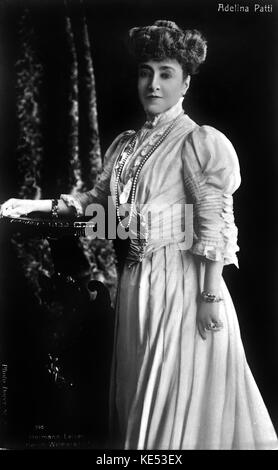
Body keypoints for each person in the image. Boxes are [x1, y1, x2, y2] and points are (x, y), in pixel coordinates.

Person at [1, 19, 277, 450]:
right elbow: (98, 204)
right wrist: (33, 204)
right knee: (136, 398)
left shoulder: (198, 141)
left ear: (185, 82)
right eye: (145, 72)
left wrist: (208, 298)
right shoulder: (126, 144)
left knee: (175, 407)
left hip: (184, 287)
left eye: (166, 73)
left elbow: (214, 227)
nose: (153, 83)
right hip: (136, 283)